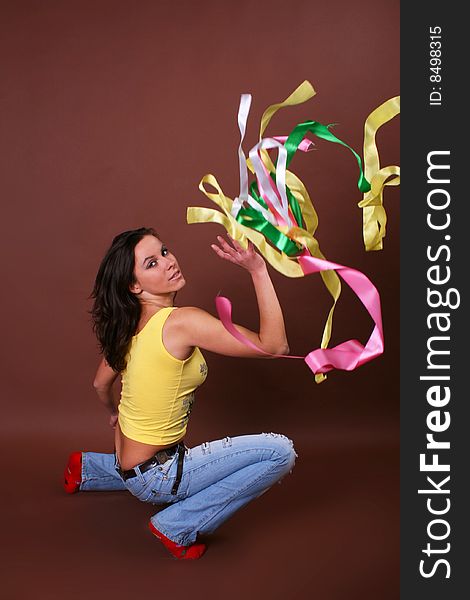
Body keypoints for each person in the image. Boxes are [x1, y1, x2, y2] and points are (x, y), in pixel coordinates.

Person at [64, 227, 297, 560]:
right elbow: (274, 346)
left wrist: (113, 413)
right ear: (135, 286)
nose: (168, 262)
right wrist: (258, 270)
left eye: (164, 251)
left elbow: (100, 384)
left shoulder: (128, 326)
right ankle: (176, 525)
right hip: (159, 476)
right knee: (280, 452)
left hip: (128, 467)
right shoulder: (181, 322)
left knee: (144, 461)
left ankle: (86, 468)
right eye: (152, 263)